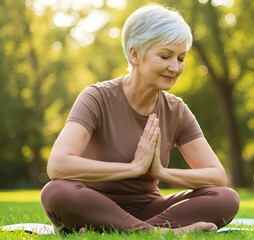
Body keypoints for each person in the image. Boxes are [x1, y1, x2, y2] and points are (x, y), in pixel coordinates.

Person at [40, 4, 239, 234]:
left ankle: (116, 230)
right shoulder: (96, 97)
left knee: (225, 198)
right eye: (165, 56)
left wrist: (162, 173)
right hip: (93, 203)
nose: (175, 67)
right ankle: (157, 233)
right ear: (135, 54)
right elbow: (58, 165)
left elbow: (216, 176)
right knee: (55, 192)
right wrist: (133, 168)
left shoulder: (176, 110)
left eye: (181, 58)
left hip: (151, 209)